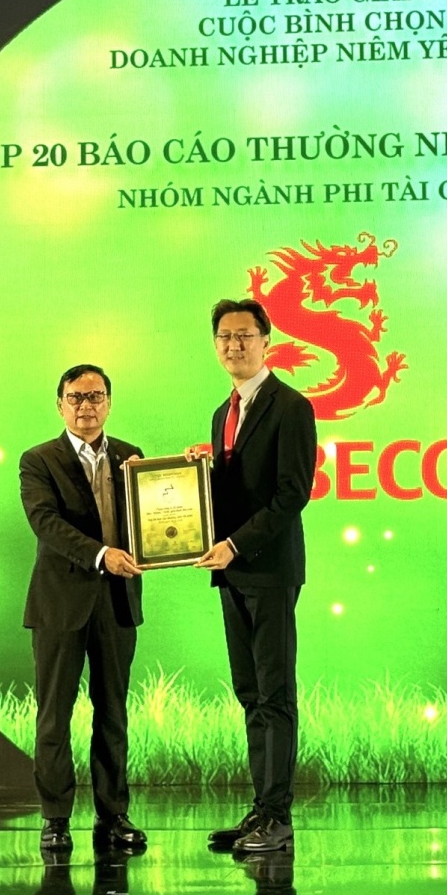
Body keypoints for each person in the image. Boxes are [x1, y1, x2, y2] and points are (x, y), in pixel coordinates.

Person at [193, 299, 317, 855]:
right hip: (231, 572)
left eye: (244, 335)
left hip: (268, 569)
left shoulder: (291, 407)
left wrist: (235, 545)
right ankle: (260, 809)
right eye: (225, 336)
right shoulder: (223, 413)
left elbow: (292, 494)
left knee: (275, 694)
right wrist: (196, 476)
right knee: (250, 693)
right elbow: (233, 491)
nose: (234, 345)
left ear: (266, 340)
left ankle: (278, 818)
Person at [19, 363, 148, 856]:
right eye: (76, 397)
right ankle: (55, 819)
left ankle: (113, 816)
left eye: (95, 396)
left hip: (117, 603)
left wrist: (186, 477)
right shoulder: (38, 460)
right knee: (54, 716)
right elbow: (45, 523)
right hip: (59, 606)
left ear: (109, 404)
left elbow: (156, 515)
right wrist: (101, 555)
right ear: (60, 406)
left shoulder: (131, 457)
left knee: (113, 713)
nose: (86, 406)